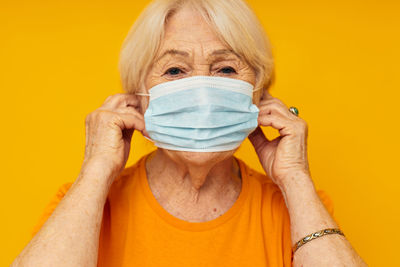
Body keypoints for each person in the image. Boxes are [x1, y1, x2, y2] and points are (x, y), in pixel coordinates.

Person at [12, 0, 367, 266]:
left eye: (226, 68)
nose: (202, 90)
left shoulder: (295, 209)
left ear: (259, 95)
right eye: (175, 70)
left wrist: (295, 179)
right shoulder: (85, 207)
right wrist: (95, 170)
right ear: (137, 98)